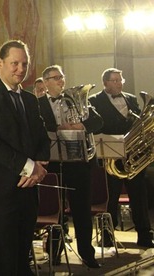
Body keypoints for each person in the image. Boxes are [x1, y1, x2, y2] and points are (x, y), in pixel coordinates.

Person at [0, 40, 50, 275]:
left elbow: (42, 139)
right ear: (0, 63)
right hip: (0, 189)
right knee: (5, 256)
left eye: (24, 64)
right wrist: (28, 166)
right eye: (15, 63)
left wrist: (40, 165)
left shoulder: (29, 99)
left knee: (23, 255)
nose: (21, 69)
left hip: (28, 188)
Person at [38, 64, 102, 268]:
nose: (61, 81)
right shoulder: (37, 104)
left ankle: (87, 254)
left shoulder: (75, 100)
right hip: (53, 165)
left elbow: (98, 121)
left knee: (82, 210)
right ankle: (54, 253)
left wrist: (79, 126)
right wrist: (58, 128)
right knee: (56, 212)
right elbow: (36, 128)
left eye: (62, 77)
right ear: (46, 82)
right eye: (56, 78)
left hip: (78, 164)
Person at [88, 68, 154, 248]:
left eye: (120, 80)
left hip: (133, 157)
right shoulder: (94, 101)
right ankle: (108, 236)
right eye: (114, 80)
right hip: (109, 159)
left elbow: (140, 123)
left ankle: (144, 235)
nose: (119, 83)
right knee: (110, 198)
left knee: (139, 197)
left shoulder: (131, 99)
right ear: (105, 83)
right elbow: (94, 127)